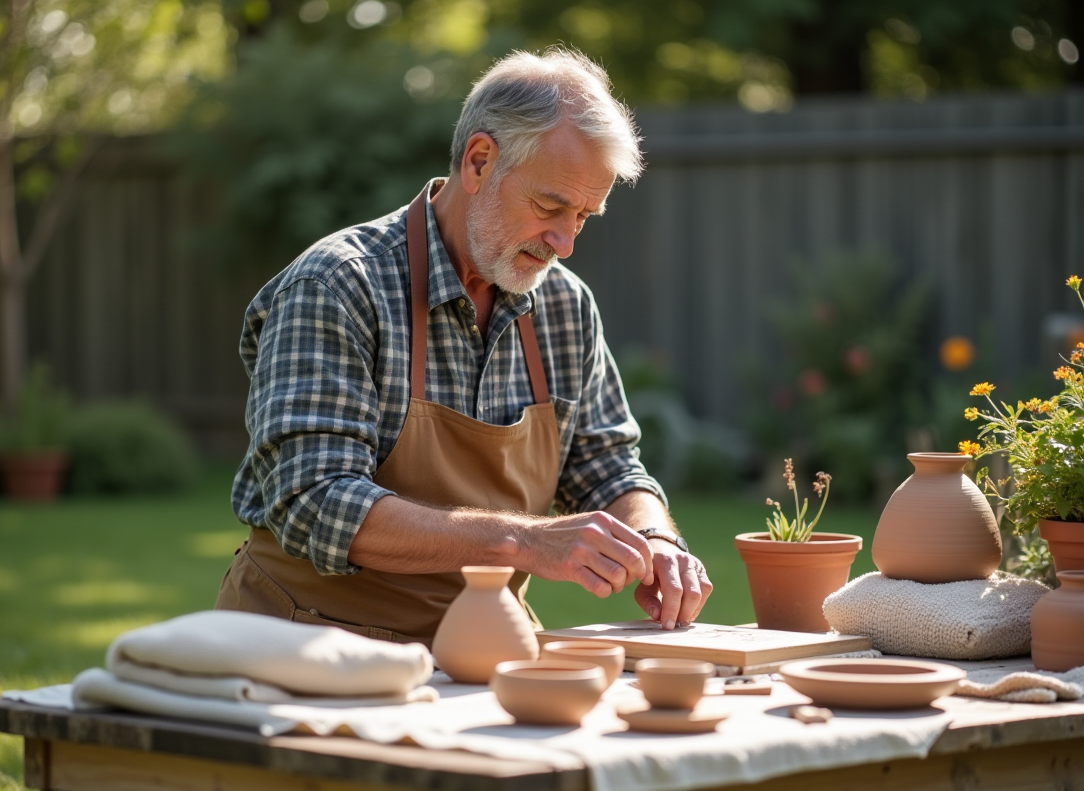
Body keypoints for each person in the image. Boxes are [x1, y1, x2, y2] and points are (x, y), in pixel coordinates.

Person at [216, 47, 713, 647]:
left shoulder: (564, 306)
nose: (565, 241)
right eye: (550, 206)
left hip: (484, 649)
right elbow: (314, 500)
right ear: (479, 162)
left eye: (584, 216)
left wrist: (655, 538)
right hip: (305, 644)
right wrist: (526, 541)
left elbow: (607, 465)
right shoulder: (338, 286)